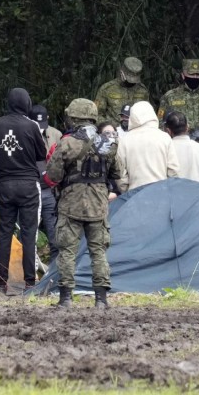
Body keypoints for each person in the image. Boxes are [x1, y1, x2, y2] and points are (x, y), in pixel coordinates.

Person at [46, 99, 121, 308]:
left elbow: (53, 175)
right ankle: (101, 300)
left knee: (67, 252)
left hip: (71, 202)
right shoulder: (109, 143)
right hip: (98, 204)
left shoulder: (67, 143)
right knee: (98, 251)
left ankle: (66, 299)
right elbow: (117, 173)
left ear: (74, 118)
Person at [0, 88, 46, 293]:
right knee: (29, 233)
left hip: (5, 184)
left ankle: (1, 283)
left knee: (4, 232)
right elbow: (41, 154)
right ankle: (30, 282)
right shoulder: (31, 125)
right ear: (26, 103)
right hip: (28, 185)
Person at [117, 101, 179, 190]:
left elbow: (121, 174)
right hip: (160, 192)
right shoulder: (165, 137)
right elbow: (173, 170)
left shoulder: (125, 140)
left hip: (134, 195)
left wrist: (127, 194)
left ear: (133, 117)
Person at [31, 104, 63, 263]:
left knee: (54, 233)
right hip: (31, 189)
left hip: (50, 190)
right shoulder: (25, 133)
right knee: (29, 233)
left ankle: (54, 270)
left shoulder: (56, 134)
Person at [157, 59, 199, 131]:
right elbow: (160, 120)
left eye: (198, 74)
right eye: (192, 74)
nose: (195, 77)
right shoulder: (170, 96)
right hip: (179, 138)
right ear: (183, 75)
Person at [94, 57, 150, 126]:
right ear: (122, 73)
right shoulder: (107, 89)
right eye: (129, 79)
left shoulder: (142, 90)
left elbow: (147, 114)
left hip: (136, 131)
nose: (131, 82)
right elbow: (97, 113)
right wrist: (106, 127)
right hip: (113, 131)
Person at [164, 111, 199, 184]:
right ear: (187, 127)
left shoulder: (165, 150)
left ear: (168, 131)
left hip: (172, 194)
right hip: (197, 194)